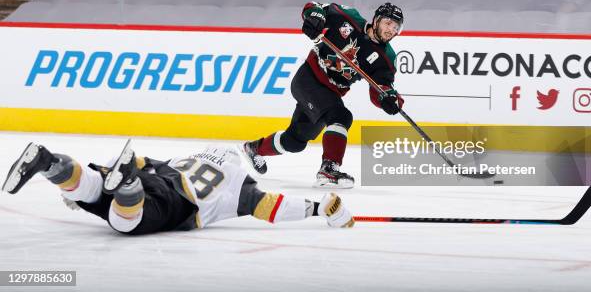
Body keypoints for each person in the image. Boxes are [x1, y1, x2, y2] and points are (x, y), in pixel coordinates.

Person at [2, 140, 354, 235]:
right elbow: (271, 208)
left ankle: (49, 162)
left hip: (159, 177)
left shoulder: (187, 158)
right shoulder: (240, 186)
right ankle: (124, 186)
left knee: (92, 188)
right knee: (126, 223)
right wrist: (319, 207)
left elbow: (144, 164)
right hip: (180, 203)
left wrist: (125, 169)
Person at [240, 2, 405, 188]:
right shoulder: (348, 18)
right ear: (376, 20)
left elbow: (381, 89)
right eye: (388, 23)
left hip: (330, 93)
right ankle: (329, 168)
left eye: (396, 27)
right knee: (341, 116)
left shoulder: (386, 58)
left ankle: (254, 148)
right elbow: (315, 7)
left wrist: (389, 100)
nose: (391, 29)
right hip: (308, 79)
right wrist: (313, 18)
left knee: (296, 141)